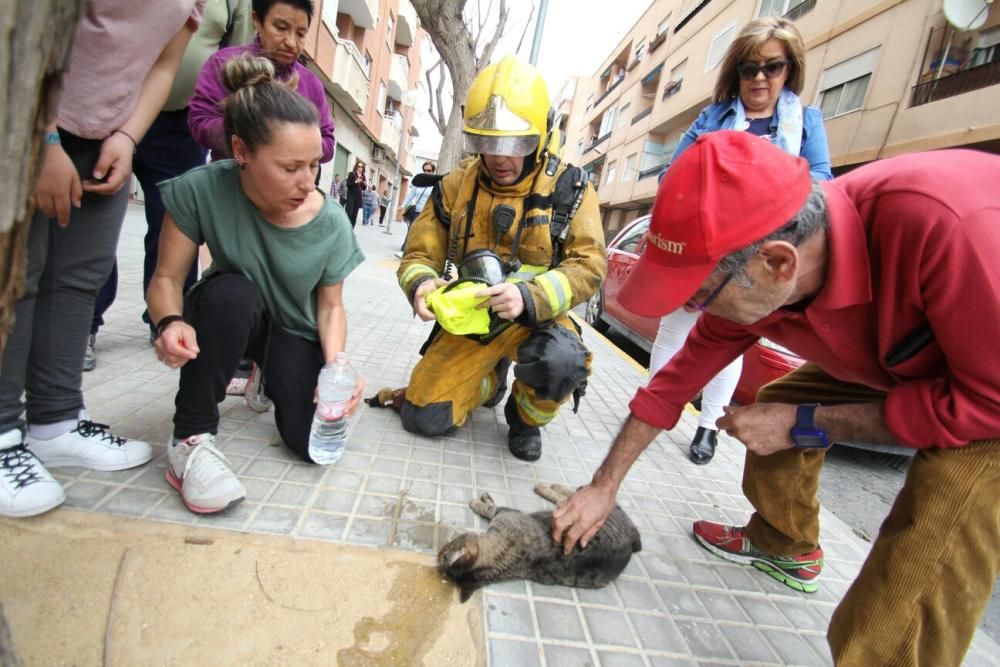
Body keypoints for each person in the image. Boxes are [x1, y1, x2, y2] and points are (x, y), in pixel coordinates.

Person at [552, 131, 1000, 665]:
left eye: (699, 296)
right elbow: (669, 387)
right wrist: (604, 487)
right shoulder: (761, 281)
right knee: (782, 397)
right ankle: (785, 545)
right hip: (909, 355)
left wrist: (805, 422)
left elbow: (987, 406)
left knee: (914, 575)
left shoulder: (949, 228)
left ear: (777, 264)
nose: (694, 310)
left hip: (990, 399)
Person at [0, 1, 204, 519]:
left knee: (78, 278)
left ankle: (55, 422)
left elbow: (163, 62)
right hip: (26, 112)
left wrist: (127, 135)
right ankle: (3, 432)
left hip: (107, 135)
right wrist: (42, 136)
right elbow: (31, 27)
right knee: (16, 272)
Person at [147, 55, 364, 514]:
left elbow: (330, 309)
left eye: (313, 165)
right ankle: (190, 440)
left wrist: (336, 371)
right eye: (289, 168)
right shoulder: (199, 190)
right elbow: (166, 278)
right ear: (241, 151)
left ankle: (265, 375)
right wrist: (168, 321)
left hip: (292, 329)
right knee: (230, 293)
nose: (306, 183)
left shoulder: (330, 223)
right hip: (233, 310)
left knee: (311, 443)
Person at [393, 56, 606, 462]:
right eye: (486, 142)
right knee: (423, 417)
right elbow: (420, 251)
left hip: (536, 322)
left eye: (515, 144)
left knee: (560, 363)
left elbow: (589, 265)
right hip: (476, 319)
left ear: (543, 136)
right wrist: (421, 284)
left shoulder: (571, 188)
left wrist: (531, 297)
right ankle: (490, 380)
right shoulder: (457, 184)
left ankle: (525, 419)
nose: (498, 156)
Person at [649, 16, 832, 465]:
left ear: (790, 68)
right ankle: (655, 413)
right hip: (702, 247)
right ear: (736, 72)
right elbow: (674, 177)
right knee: (673, 332)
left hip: (760, 256)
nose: (759, 78)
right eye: (749, 68)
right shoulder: (711, 118)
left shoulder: (805, 122)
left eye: (772, 66)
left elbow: (824, 185)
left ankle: (708, 426)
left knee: (731, 337)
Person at [85, 0, 255, 371]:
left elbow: (234, 60)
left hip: (180, 125)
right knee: (94, 225)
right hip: (112, 110)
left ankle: (166, 321)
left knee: (171, 229)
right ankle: (86, 323)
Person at [188, 0, 335, 164]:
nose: (292, 42)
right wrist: (251, 131)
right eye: (281, 28)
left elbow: (328, 143)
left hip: (289, 188)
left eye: (301, 34)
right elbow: (200, 122)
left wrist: (295, 139)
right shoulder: (224, 64)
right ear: (257, 21)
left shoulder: (311, 84)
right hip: (231, 180)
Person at [395, 160, 436, 253]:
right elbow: (411, 194)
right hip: (417, 211)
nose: (426, 172)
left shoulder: (435, 183)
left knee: (423, 232)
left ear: (433, 171)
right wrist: (403, 205)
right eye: (425, 170)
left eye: (429, 171)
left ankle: (418, 249)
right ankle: (407, 247)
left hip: (428, 213)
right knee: (412, 230)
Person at [344, 161, 366, 228]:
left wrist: (365, 184)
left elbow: (363, 188)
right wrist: (356, 181)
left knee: (354, 215)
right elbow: (348, 184)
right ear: (356, 167)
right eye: (358, 166)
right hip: (351, 196)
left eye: (361, 167)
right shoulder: (352, 174)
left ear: (363, 168)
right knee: (349, 213)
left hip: (358, 198)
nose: (360, 168)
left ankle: (351, 230)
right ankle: (345, 229)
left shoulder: (363, 176)